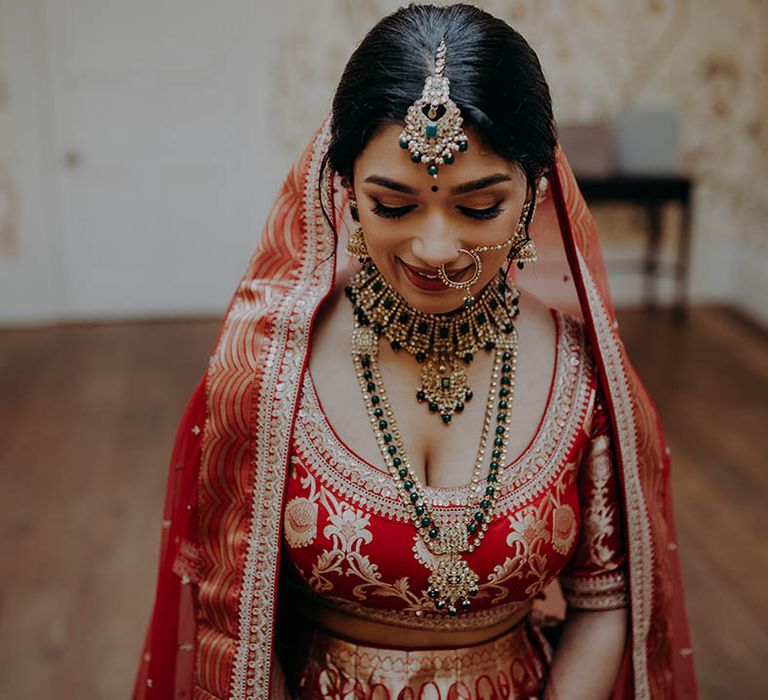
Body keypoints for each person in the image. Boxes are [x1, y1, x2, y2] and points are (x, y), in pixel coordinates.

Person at [133, 4, 697, 699]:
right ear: (344, 193)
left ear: (535, 194)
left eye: (480, 207)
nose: (435, 249)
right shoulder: (268, 371)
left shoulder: (584, 375)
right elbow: (234, 624)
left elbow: (607, 600)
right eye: (394, 207)